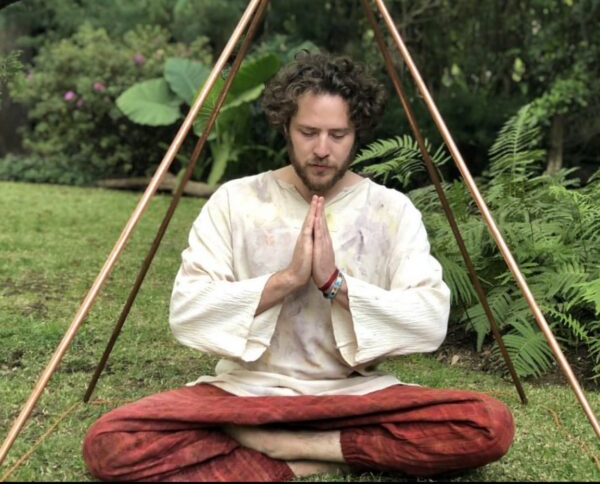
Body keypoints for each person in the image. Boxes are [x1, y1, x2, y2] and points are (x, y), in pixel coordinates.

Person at [83, 52, 514, 482]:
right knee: (110, 444)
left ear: (356, 133)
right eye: (308, 132)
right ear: (285, 127)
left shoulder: (391, 210)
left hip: (352, 395)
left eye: (337, 134)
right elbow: (187, 310)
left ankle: (288, 453)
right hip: (246, 395)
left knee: (488, 424)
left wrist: (334, 283)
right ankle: (337, 455)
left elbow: (430, 318)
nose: (322, 150)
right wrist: (285, 281)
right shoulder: (236, 201)